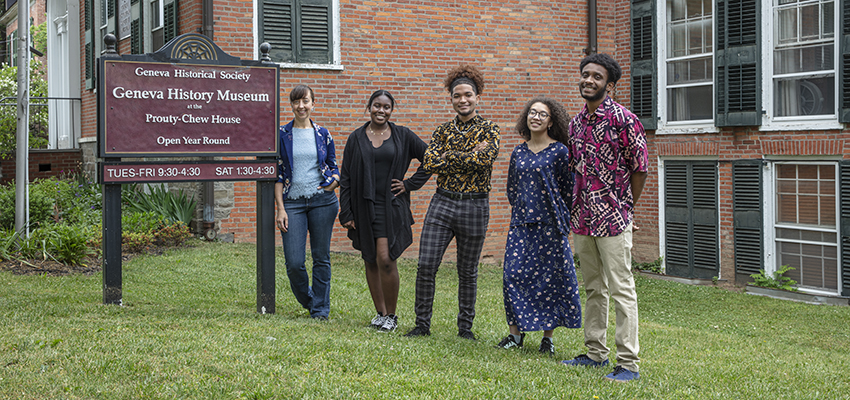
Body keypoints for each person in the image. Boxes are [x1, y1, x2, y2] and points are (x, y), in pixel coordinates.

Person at [560, 53, 649, 382]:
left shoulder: (625, 119)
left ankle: (627, 362)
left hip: (613, 219)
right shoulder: (575, 123)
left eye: (596, 77)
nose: (588, 81)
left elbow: (639, 169)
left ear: (609, 85)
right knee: (594, 288)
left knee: (622, 288)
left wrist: (627, 207)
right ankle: (595, 353)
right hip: (582, 219)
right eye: (585, 75)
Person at [404, 65, 500, 340]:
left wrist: (449, 157)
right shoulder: (442, 130)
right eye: (457, 96)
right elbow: (430, 162)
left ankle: (465, 329)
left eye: (468, 95)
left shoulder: (490, 129)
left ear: (477, 97)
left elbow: (484, 160)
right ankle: (422, 324)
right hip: (442, 204)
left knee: (467, 271)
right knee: (426, 265)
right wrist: (467, 153)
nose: (463, 100)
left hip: (475, 206)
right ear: (451, 99)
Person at [339, 90, 431, 332]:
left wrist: (409, 184)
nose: (381, 111)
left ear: (392, 110)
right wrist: (346, 212)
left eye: (386, 107)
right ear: (368, 107)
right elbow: (346, 177)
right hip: (362, 206)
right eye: (376, 106)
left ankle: (392, 315)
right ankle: (380, 314)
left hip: (390, 206)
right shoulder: (356, 138)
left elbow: (431, 159)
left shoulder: (402, 135)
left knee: (386, 258)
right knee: (369, 258)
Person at [495, 97, 581, 356]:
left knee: (551, 278)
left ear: (551, 121)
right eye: (532, 112)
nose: (536, 117)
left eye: (542, 114)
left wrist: (560, 219)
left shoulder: (560, 152)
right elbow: (512, 188)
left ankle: (548, 338)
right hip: (521, 223)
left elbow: (568, 189)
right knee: (512, 275)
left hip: (551, 225)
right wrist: (524, 209)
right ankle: (515, 334)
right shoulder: (518, 152)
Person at [275, 84, 340, 320]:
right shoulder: (282, 134)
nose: (300, 106)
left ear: (313, 104)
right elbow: (278, 174)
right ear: (291, 105)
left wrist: (334, 181)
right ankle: (312, 301)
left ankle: (321, 311)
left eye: (305, 101)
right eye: (296, 102)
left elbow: (333, 166)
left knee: (321, 257)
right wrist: (280, 208)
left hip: (323, 201)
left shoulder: (323, 134)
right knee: (294, 262)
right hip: (292, 204)